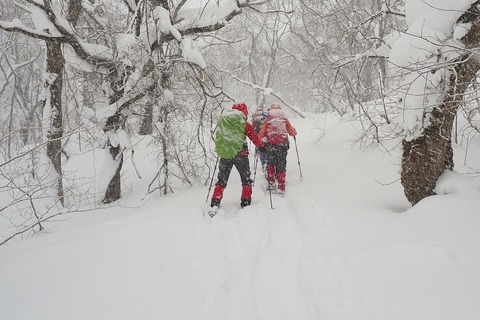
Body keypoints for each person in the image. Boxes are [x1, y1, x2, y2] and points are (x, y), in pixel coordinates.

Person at [210, 103, 265, 213]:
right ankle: (245, 201)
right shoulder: (243, 123)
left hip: (226, 154)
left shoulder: (224, 121)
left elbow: (219, 136)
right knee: (246, 179)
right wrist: (262, 145)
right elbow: (254, 137)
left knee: (221, 180)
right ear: (244, 112)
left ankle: (215, 201)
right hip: (241, 154)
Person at [258, 103, 297, 195]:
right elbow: (292, 131)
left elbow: (262, 133)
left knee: (271, 164)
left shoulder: (268, 119)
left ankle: (271, 183)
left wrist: (260, 140)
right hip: (282, 145)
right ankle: (281, 186)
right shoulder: (283, 118)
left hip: (271, 145)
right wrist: (294, 132)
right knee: (281, 165)